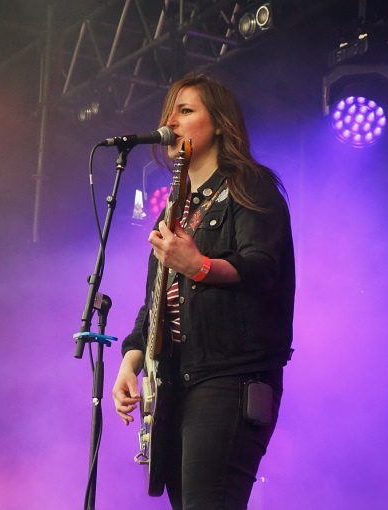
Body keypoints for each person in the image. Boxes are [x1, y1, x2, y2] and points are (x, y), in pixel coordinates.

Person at [111, 74, 295, 509]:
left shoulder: (251, 186)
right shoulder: (175, 211)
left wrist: (201, 266)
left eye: (186, 111)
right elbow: (155, 299)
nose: (170, 121)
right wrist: (131, 360)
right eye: (167, 113)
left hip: (232, 376)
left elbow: (265, 268)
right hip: (178, 380)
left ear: (220, 124)